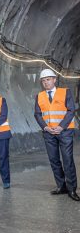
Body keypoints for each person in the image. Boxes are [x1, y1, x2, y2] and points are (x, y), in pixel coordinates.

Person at [34, 69, 79, 201]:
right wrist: (45, 127)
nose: (46, 82)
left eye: (48, 79)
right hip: (49, 133)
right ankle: (61, 186)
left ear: (54, 79)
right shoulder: (39, 96)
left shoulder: (65, 92)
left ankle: (72, 190)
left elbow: (71, 110)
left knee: (67, 160)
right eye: (43, 80)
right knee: (54, 160)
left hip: (64, 132)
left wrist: (61, 126)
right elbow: (37, 114)